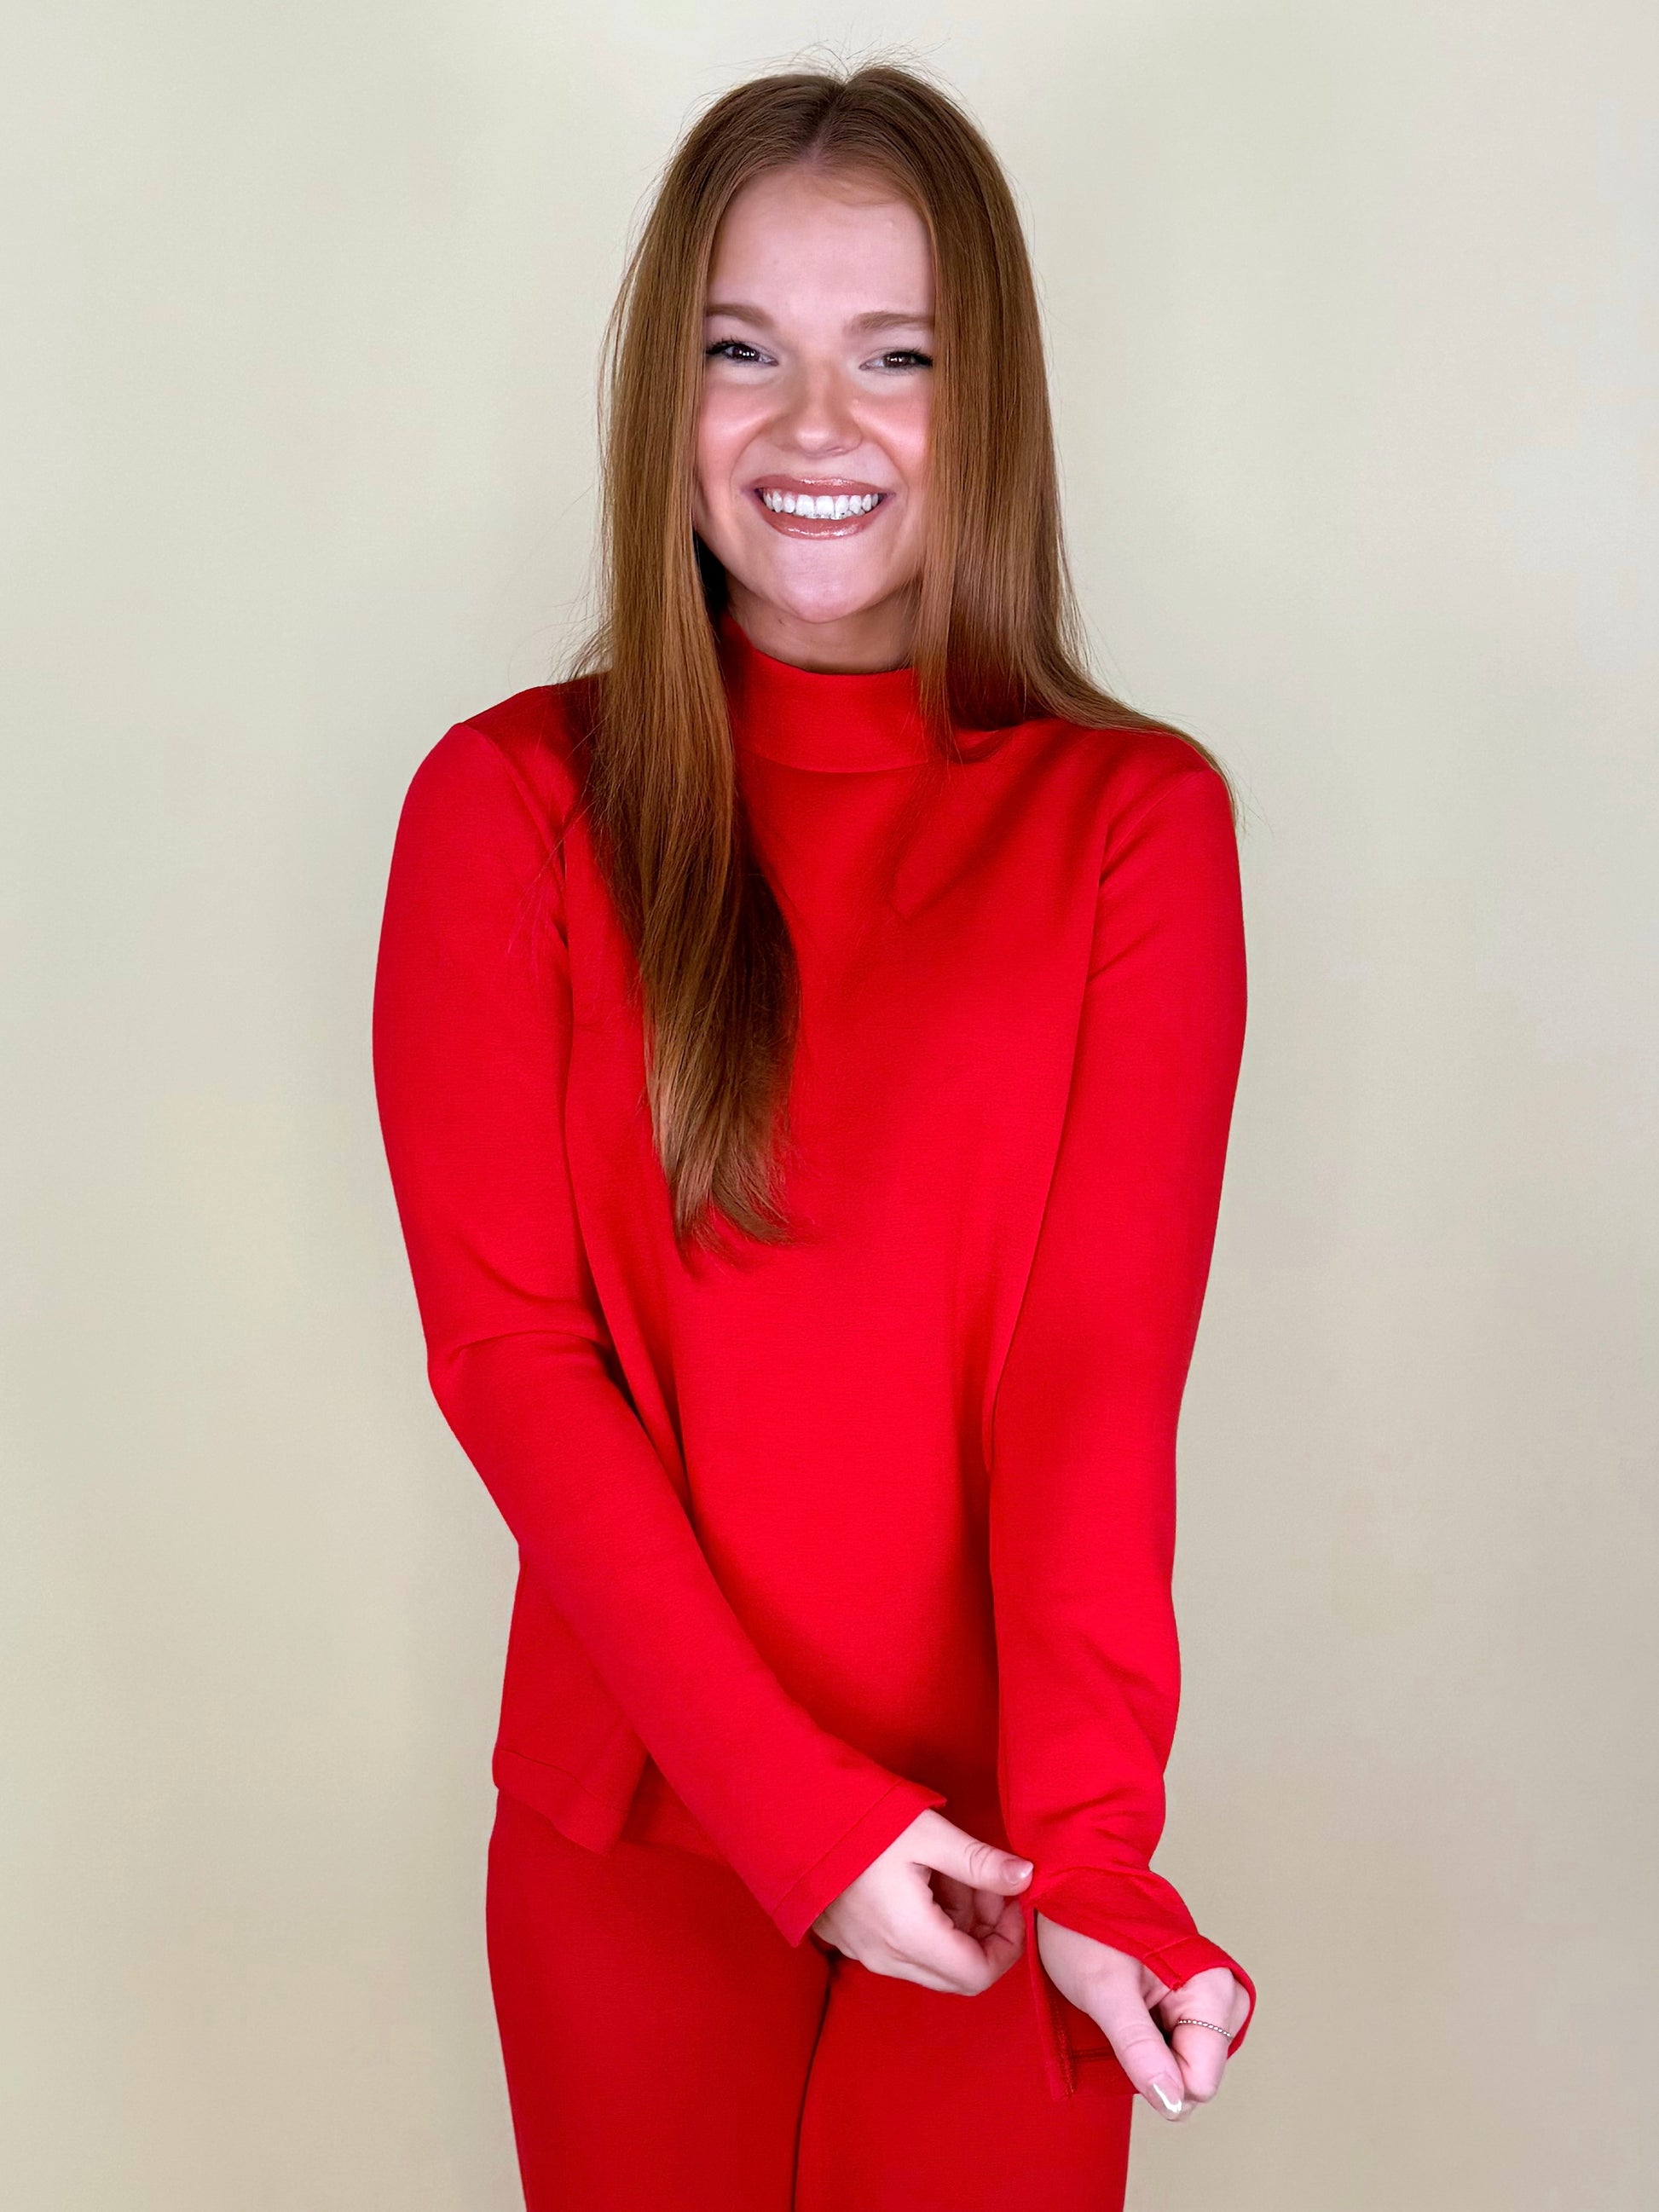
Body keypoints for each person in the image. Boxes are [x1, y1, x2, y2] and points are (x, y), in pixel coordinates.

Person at [373, 59, 1257, 2212]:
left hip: (994, 1867)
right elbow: (512, 1358)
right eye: (742, 351)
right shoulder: (508, 807)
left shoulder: (1132, 826)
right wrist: (801, 1816)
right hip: (632, 1841)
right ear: (664, 400)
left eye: (899, 357)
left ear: (990, 398)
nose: (814, 426)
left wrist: (1099, 1861)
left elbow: (1093, 1380)